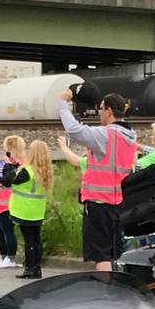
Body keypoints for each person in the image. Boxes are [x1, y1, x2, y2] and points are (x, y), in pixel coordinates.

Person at [56, 88, 141, 271]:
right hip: (120, 203)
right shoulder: (130, 137)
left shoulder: (105, 135)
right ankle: (118, 291)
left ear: (109, 111)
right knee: (116, 254)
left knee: (101, 255)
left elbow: (73, 130)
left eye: (101, 109)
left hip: (99, 204)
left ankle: (106, 294)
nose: (99, 113)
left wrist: (63, 103)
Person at [7, 138, 53, 279]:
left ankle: (30, 268)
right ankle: (36, 268)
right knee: (36, 240)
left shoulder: (27, 171)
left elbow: (10, 181)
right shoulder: (46, 170)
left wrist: (11, 166)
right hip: (37, 210)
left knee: (29, 241)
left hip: (25, 210)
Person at [0, 133, 26, 269]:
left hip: (7, 202)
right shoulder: (14, 161)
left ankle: (10, 258)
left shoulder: (17, 162)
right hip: (0, 202)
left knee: (7, 231)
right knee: (0, 230)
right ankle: (3, 256)